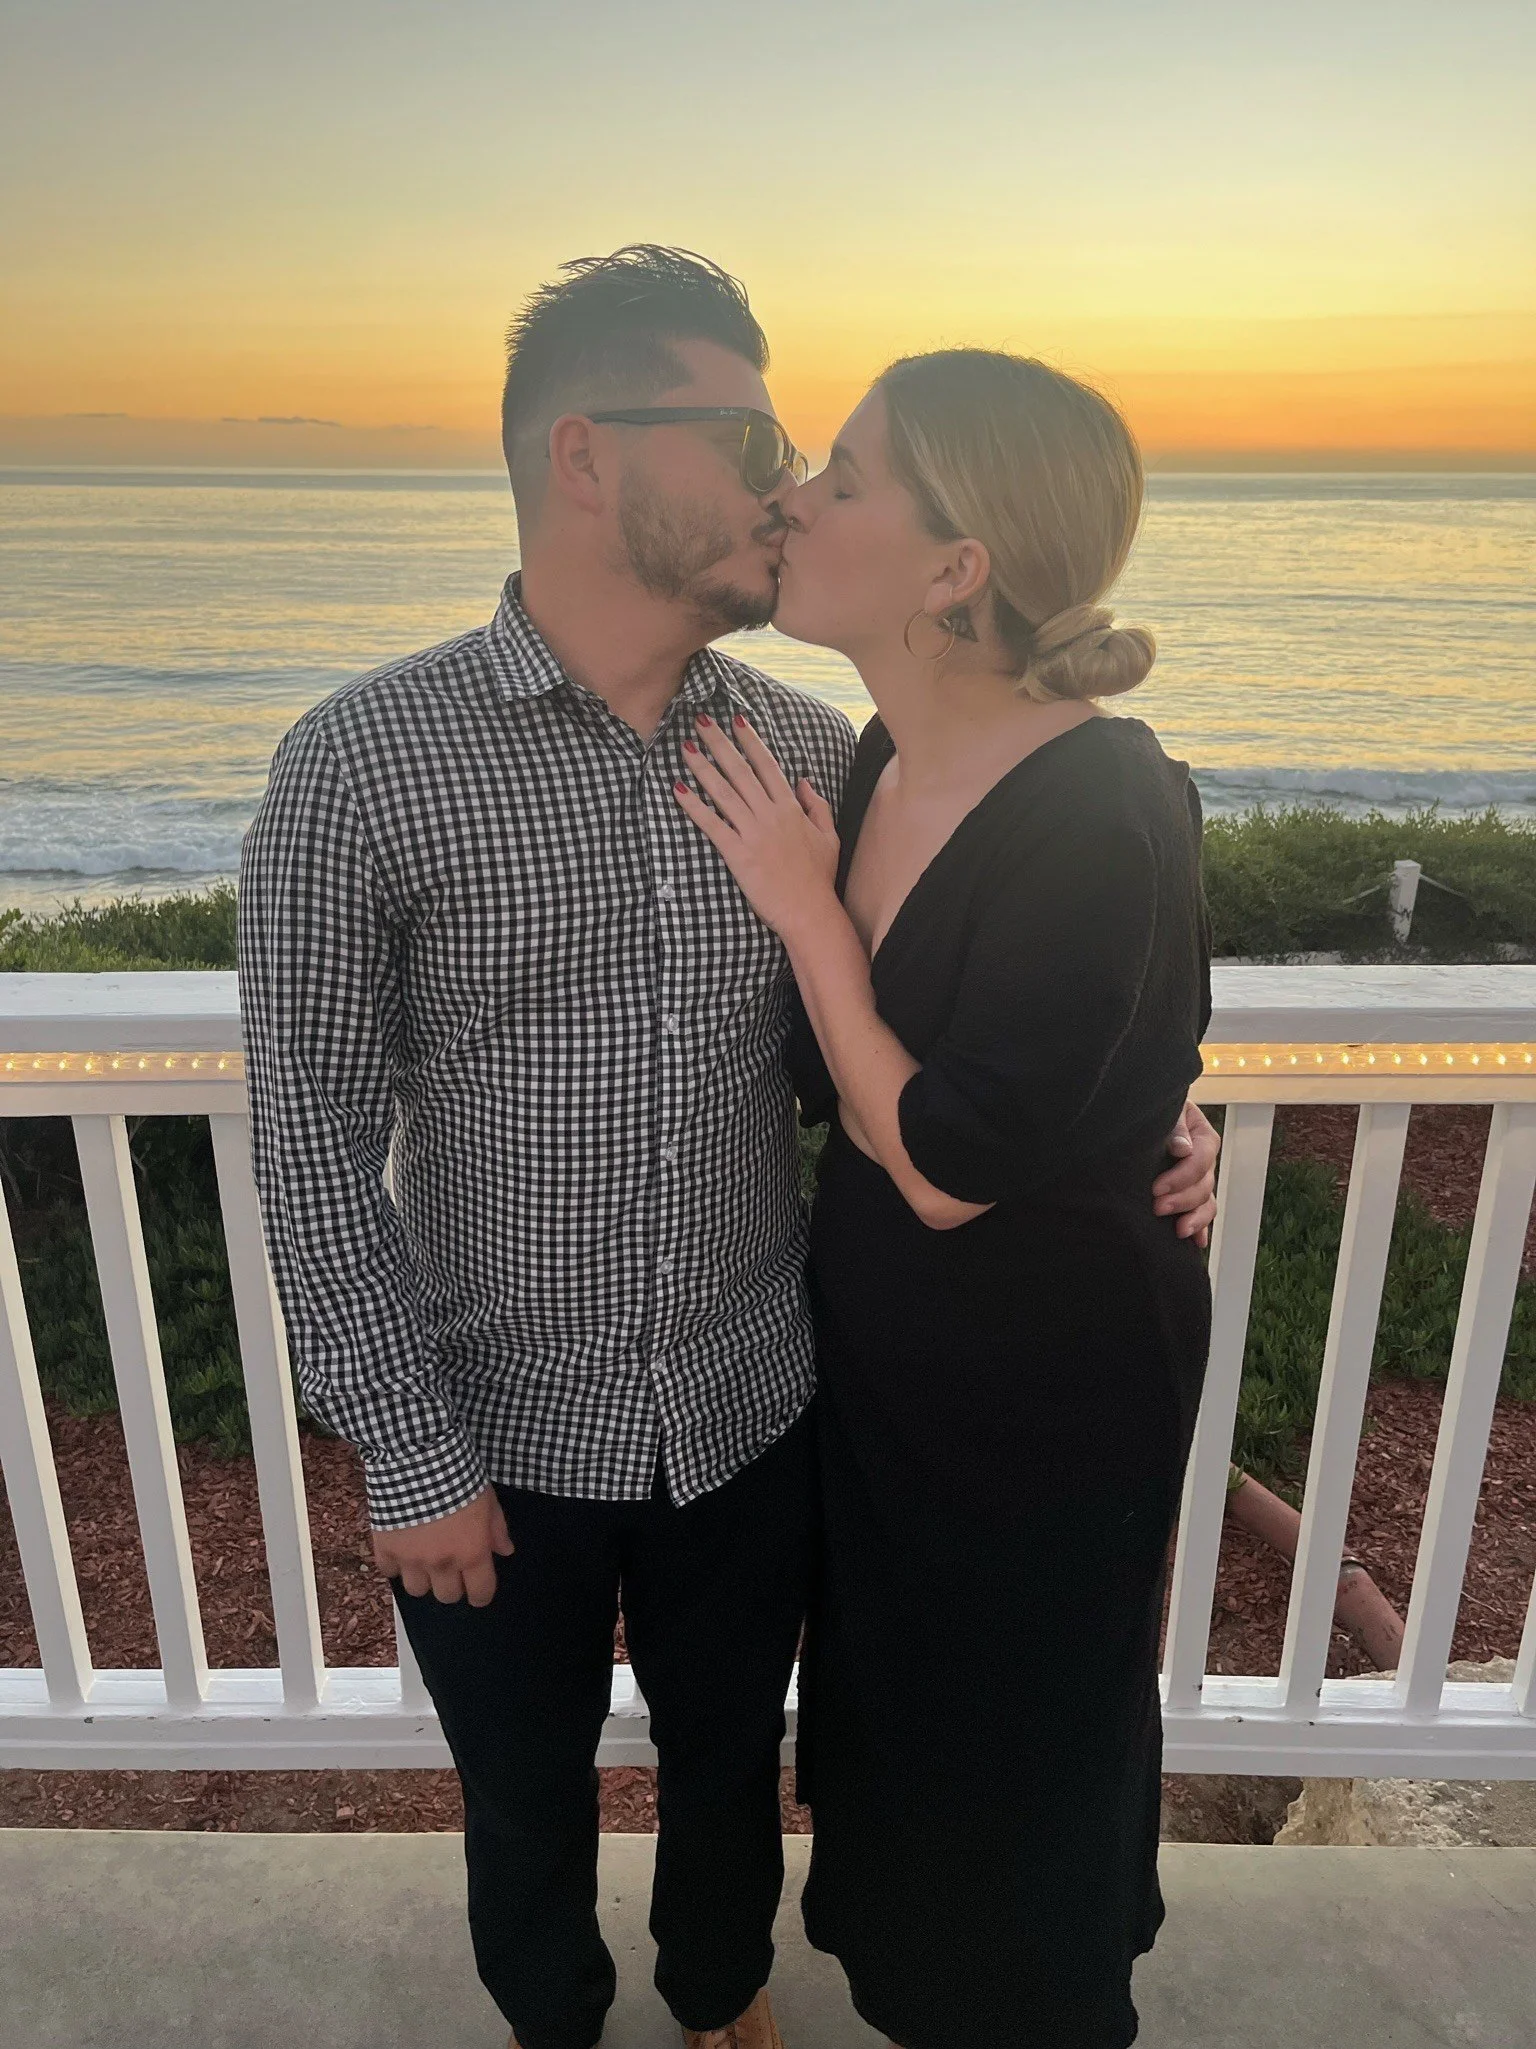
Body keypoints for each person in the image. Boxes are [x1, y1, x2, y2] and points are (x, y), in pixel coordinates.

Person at [238, 247, 1218, 2049]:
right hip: (503, 1428)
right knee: (523, 1795)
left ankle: (719, 1995)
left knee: (730, 1771)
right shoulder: (362, 766)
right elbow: (308, 1145)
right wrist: (410, 1450)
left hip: (759, 1411)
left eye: (809, 453)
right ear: (587, 455)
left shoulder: (813, 749)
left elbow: (955, 1007)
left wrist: (1143, 1108)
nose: (784, 486)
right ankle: (554, 2014)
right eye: (754, 440)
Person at [673, 349, 1212, 2049]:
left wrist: (804, 914)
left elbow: (950, 1165)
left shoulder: (1105, 799)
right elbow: (985, 1044)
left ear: (955, 569)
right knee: (903, 1729)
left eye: (842, 477)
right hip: (890, 1370)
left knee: (1018, 1750)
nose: (791, 500)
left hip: (1042, 1388)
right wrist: (1155, 1100)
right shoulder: (877, 767)